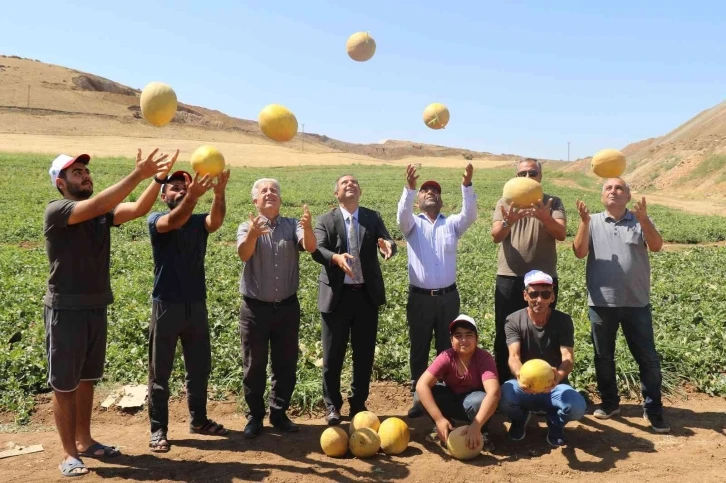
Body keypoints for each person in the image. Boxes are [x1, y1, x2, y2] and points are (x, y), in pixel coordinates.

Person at [43, 148, 172, 477]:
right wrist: (138, 174)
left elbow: (140, 208)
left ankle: (85, 441)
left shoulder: (101, 213)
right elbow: (97, 204)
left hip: (96, 305)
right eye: (76, 172)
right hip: (66, 309)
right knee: (64, 384)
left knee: (87, 380)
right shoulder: (57, 210)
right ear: (61, 183)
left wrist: (157, 179)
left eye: (85, 170)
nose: (85, 174)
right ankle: (69, 453)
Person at [572, 178, 669, 433]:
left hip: (637, 303)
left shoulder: (640, 220)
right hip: (601, 303)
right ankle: (610, 402)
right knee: (603, 357)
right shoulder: (591, 221)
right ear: (602, 196)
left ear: (628, 196)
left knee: (647, 358)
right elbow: (579, 252)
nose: (614, 191)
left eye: (619, 188)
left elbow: (657, 246)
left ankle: (654, 409)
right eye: (608, 188)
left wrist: (645, 219)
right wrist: (583, 223)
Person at [146, 166, 230, 453]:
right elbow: (175, 219)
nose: (181, 190)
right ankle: (158, 429)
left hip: (196, 304)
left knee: (198, 368)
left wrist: (218, 193)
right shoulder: (156, 219)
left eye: (185, 186)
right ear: (162, 196)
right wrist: (193, 196)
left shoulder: (196, 221)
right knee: (160, 373)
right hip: (166, 305)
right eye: (175, 187)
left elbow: (215, 221)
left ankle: (199, 420)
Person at [311, 174, 397, 425]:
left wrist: (388, 246)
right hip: (336, 298)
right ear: (336, 194)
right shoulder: (325, 220)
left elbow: (388, 240)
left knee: (364, 355)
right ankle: (332, 406)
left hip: (365, 297)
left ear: (360, 192)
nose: (350, 185)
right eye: (344, 183)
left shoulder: (372, 217)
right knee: (332, 355)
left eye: (354, 183)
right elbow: (317, 248)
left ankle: (358, 404)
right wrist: (335, 259)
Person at [236, 178, 316, 438]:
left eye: (275, 191)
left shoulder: (293, 225)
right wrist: (252, 234)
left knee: (285, 363)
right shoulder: (246, 226)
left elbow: (310, 246)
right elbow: (244, 254)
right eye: (264, 190)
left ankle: (279, 414)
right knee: (254, 365)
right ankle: (255, 417)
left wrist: (309, 228)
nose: (270, 193)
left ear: (280, 200)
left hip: (287, 308)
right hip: (254, 309)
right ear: (255, 201)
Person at [397, 163, 477, 418]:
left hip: (448, 297)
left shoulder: (451, 224)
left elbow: (470, 215)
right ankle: (419, 396)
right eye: (425, 190)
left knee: (448, 346)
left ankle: (446, 393)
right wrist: (409, 189)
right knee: (419, 347)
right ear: (418, 200)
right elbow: (401, 215)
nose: (430, 192)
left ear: (441, 201)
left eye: (435, 191)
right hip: (420, 298)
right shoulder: (412, 225)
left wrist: (466, 186)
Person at [491, 158, 567, 383]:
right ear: (516, 177)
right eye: (522, 173)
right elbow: (496, 236)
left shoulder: (552, 202)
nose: (527, 178)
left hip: (542, 280)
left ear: (540, 177)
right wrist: (508, 223)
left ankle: (543, 382)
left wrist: (544, 217)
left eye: (532, 173)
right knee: (505, 332)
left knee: (543, 331)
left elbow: (561, 233)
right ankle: (506, 385)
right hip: (509, 277)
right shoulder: (505, 201)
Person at [498, 270, 586, 447]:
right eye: (534, 294)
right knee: (503, 396)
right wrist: (520, 377)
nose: (539, 299)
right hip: (524, 385)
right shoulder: (513, 320)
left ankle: (555, 422)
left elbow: (568, 358)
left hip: (555, 385)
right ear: (525, 295)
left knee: (577, 407)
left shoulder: (563, 320)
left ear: (552, 297)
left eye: (545, 294)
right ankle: (520, 418)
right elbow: (513, 356)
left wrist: (557, 377)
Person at [416, 314, 500, 451]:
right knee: (420, 395)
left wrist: (476, 426)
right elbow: (421, 385)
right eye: (458, 335)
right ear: (451, 340)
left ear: (476, 339)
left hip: (473, 404)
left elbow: (494, 392)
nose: (463, 340)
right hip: (453, 399)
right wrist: (439, 419)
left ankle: (483, 432)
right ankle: (447, 426)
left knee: (479, 400)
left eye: (469, 335)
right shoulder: (446, 356)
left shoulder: (484, 358)